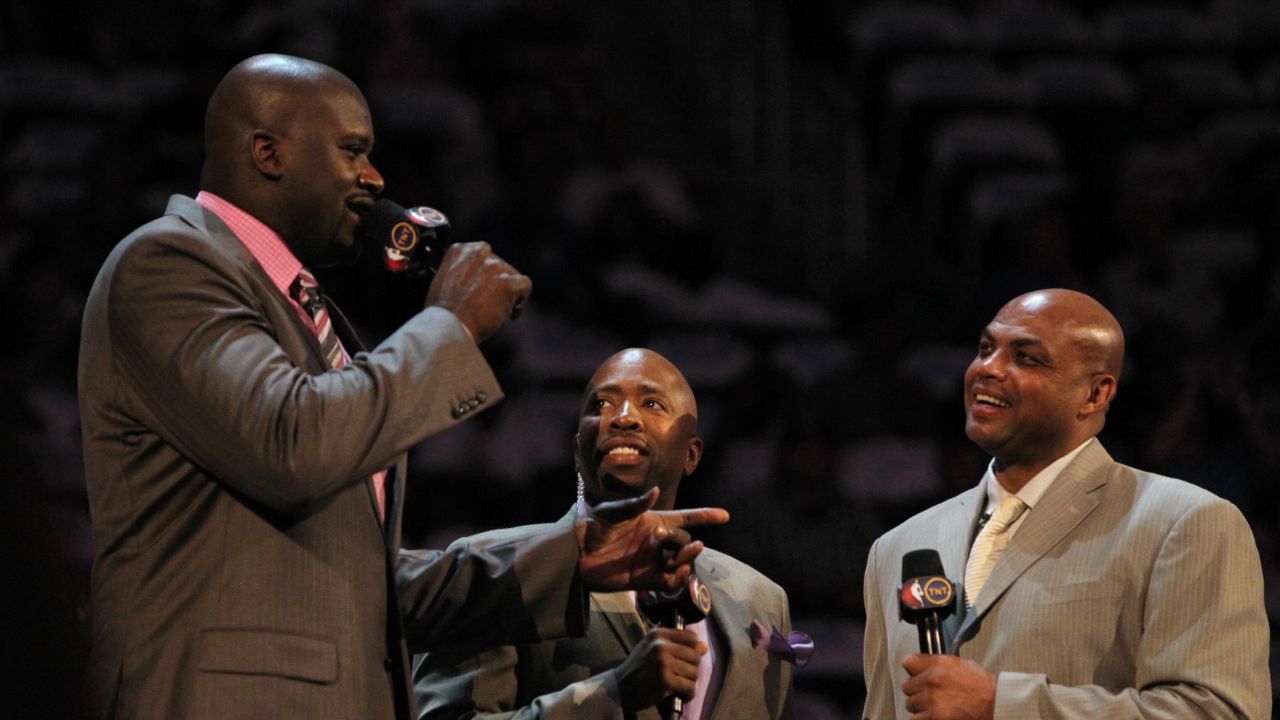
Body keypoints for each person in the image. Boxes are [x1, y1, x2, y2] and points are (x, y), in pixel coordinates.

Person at [78, 54, 727, 720]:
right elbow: (292, 443)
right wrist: (448, 326)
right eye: (353, 151)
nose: (375, 177)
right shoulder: (169, 262)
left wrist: (572, 560)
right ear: (267, 152)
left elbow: (367, 586)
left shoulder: (311, 312)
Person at [861, 288, 1270, 719]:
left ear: (1094, 395)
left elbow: (1218, 713)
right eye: (985, 349)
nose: (988, 369)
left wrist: (1000, 703)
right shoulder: (897, 548)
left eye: (1026, 358)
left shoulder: (1185, 523)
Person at [413, 348, 800, 719]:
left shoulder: (761, 600)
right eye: (602, 405)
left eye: (652, 404)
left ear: (692, 454)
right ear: (577, 452)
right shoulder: (497, 570)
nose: (623, 418)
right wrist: (614, 692)